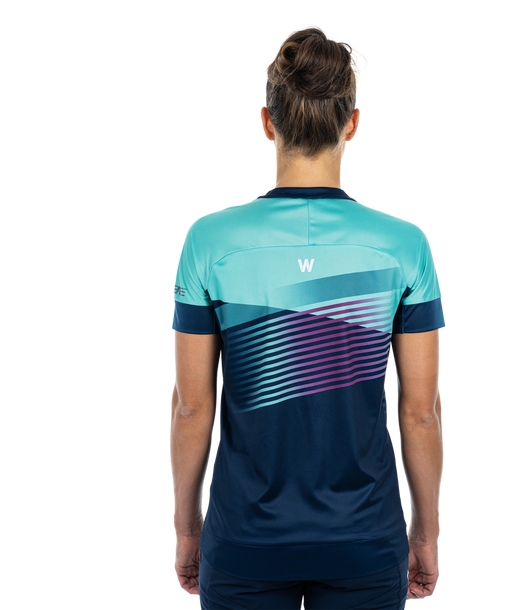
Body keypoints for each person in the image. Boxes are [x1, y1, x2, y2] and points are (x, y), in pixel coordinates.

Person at [170, 27, 444, 610]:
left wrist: (187, 526)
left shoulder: (210, 242)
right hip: (365, 539)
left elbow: (191, 407)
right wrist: (426, 532)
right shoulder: (403, 246)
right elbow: (421, 412)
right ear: (352, 123)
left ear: (268, 122)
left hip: (244, 539)